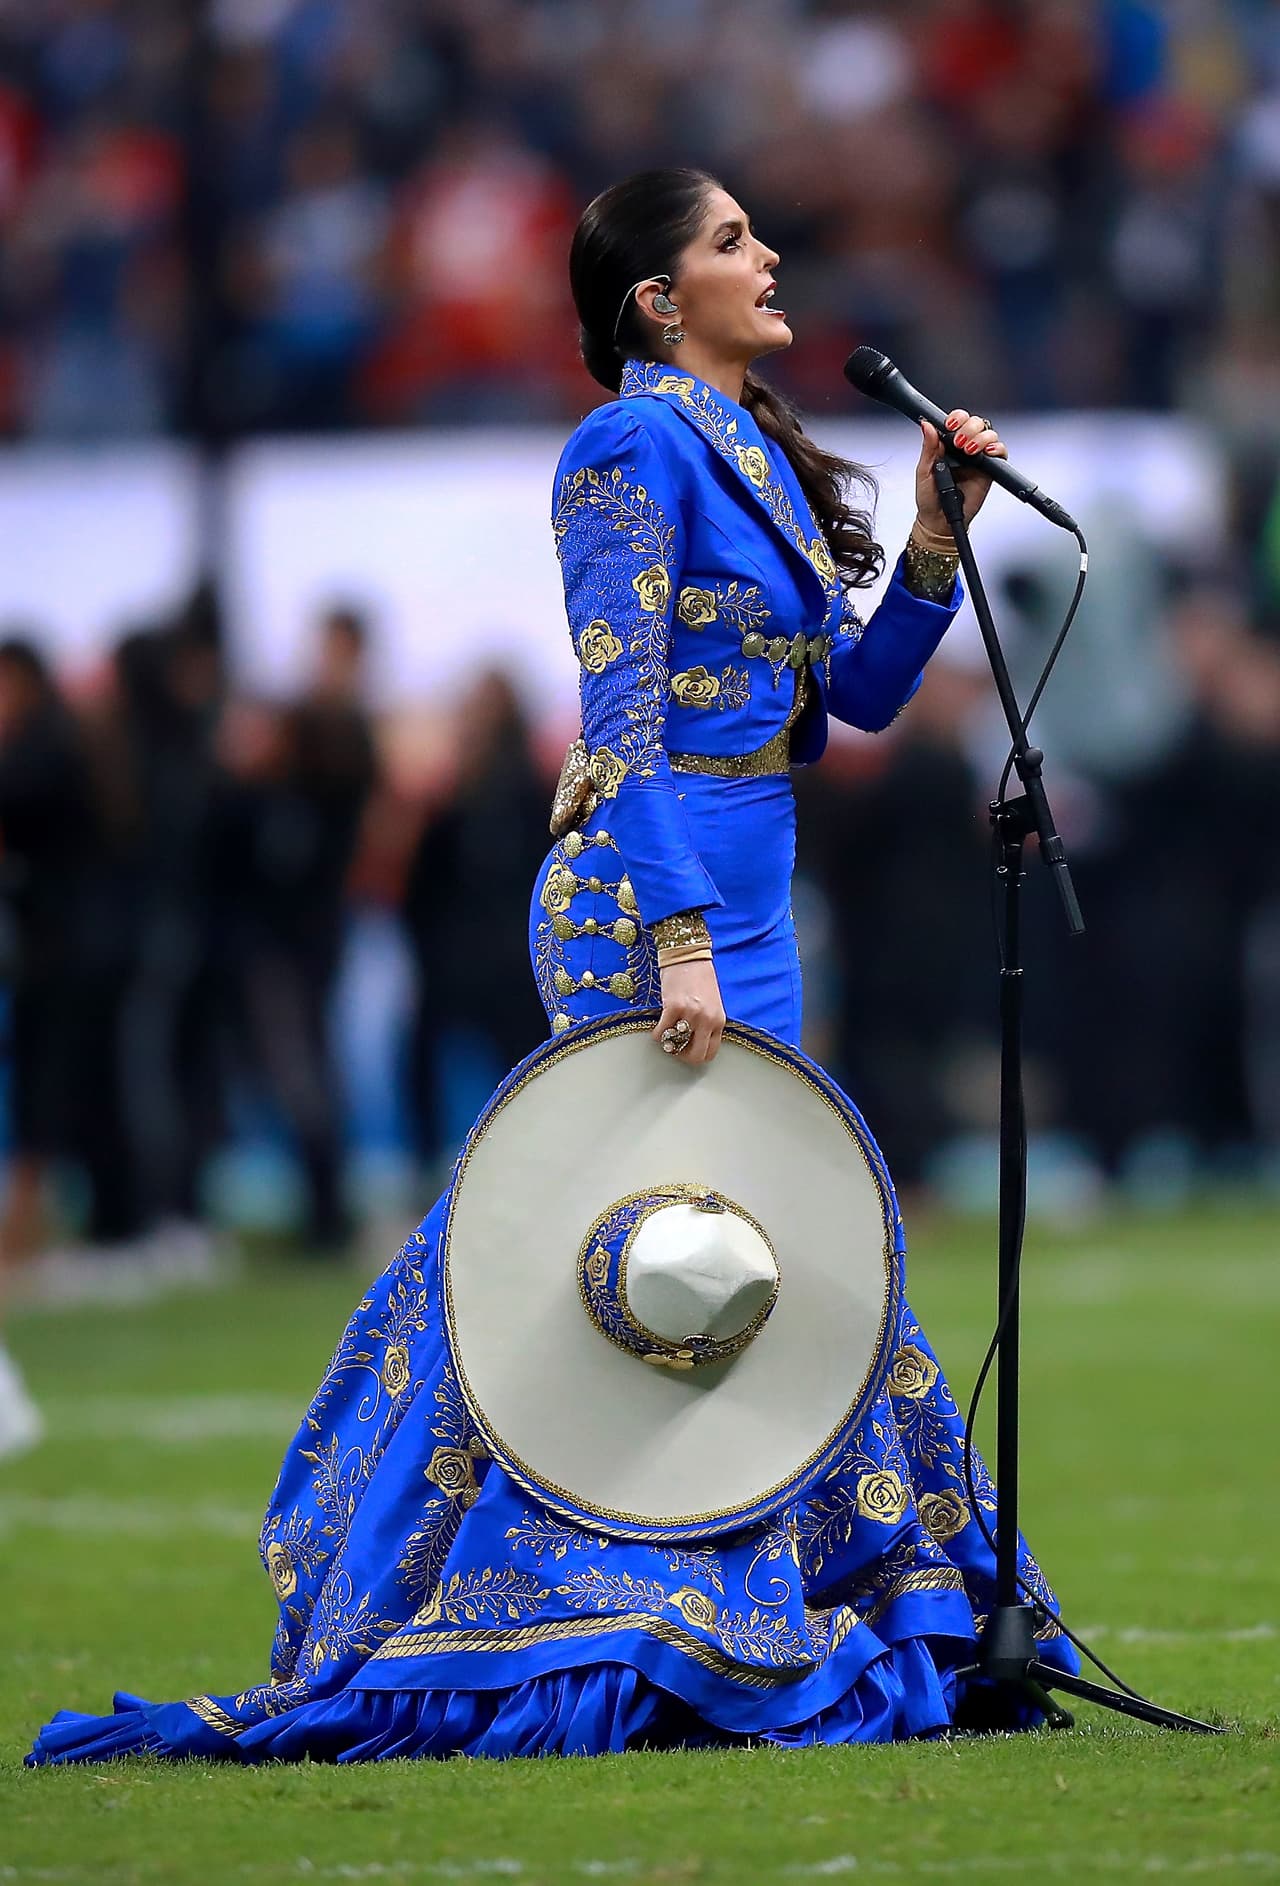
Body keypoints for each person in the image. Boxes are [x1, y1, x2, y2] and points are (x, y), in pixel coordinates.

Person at [29, 168, 1077, 1766]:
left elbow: (852, 704)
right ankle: (550, 1602)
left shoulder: (763, 453)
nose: (770, 252)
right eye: (731, 240)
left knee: (761, 1240)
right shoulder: (627, 445)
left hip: (751, 888)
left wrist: (934, 539)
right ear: (656, 301)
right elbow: (628, 715)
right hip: (647, 897)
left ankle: (784, 1589)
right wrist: (675, 938)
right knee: (630, 1245)